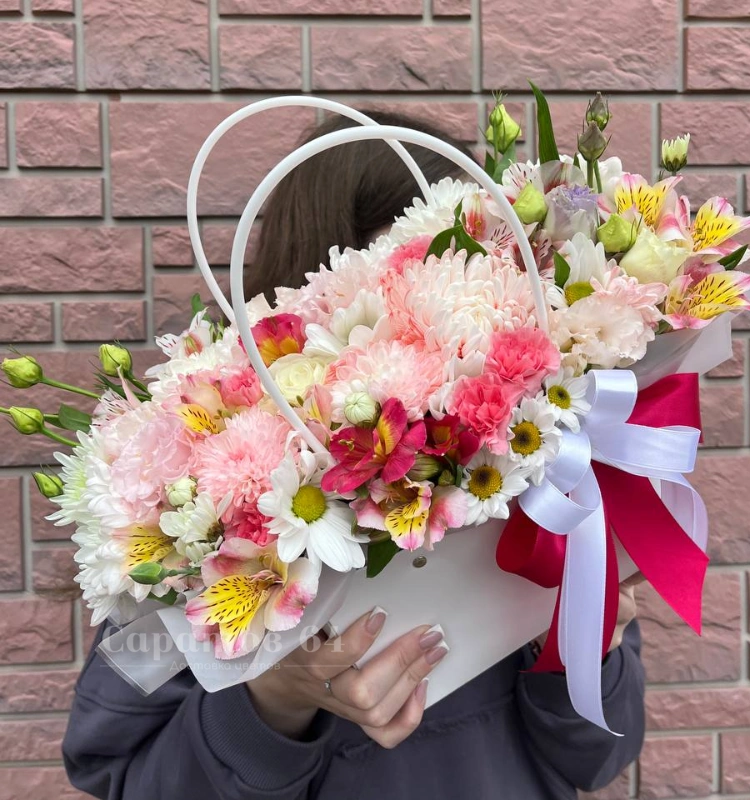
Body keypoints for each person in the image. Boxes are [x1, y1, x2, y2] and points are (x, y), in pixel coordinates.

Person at [63, 111, 646, 800]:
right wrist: (274, 702)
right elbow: (121, 771)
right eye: (403, 314)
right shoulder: (197, 500)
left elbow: (597, 756)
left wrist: (584, 644)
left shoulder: (542, 474)